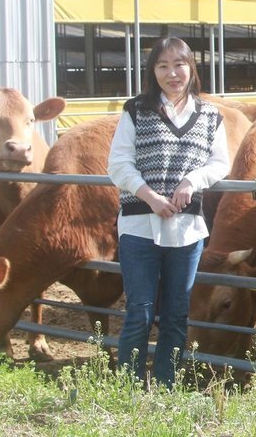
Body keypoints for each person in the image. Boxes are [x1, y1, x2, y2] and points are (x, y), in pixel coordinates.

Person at [107, 36, 230, 388]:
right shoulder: (136, 110)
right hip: (139, 226)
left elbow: (220, 163)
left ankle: (166, 385)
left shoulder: (210, 116)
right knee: (140, 311)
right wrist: (150, 197)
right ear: (152, 71)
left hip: (187, 228)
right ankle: (129, 388)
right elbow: (118, 164)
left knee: (177, 314)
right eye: (163, 66)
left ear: (191, 68)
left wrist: (193, 180)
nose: (172, 73)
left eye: (179, 65)